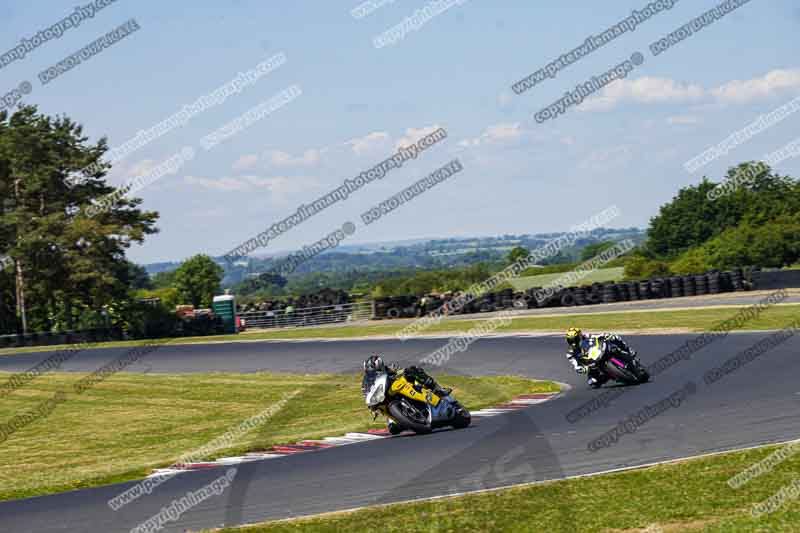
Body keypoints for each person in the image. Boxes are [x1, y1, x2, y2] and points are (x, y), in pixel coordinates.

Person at [564, 327, 634, 388]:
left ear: (580, 336)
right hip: (591, 365)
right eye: (570, 340)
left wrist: (606, 335)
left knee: (614, 338)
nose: (573, 343)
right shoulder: (570, 353)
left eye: (574, 339)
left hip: (601, 351)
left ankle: (628, 350)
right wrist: (582, 369)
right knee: (592, 382)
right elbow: (575, 365)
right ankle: (610, 375)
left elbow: (599, 336)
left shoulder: (588, 336)